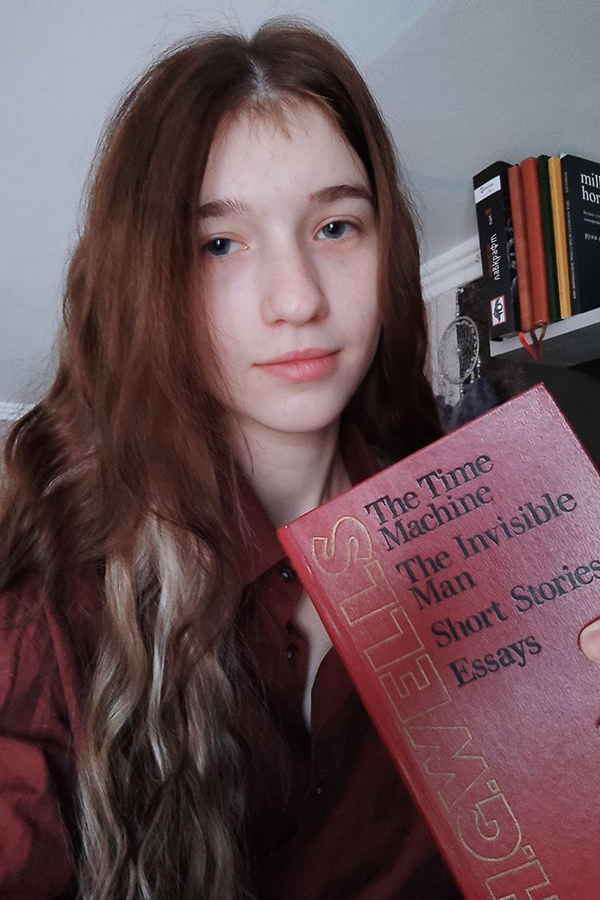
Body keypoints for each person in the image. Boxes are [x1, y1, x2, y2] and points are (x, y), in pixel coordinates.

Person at [1, 17, 599, 900]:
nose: (297, 299)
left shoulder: (497, 529)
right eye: (220, 243)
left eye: (336, 226)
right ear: (147, 281)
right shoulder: (54, 617)